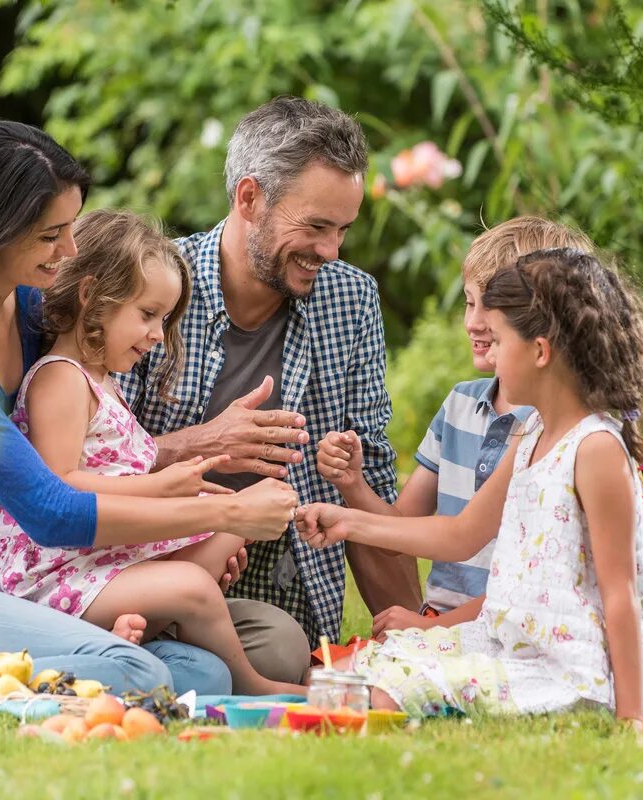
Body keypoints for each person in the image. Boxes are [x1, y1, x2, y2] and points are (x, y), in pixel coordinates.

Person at [0, 121, 298, 711]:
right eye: (53, 234)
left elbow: (91, 440)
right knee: (131, 671)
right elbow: (51, 510)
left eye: (71, 229)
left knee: (198, 670)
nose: (70, 250)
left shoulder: (23, 312)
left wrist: (196, 463)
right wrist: (230, 510)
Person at [296, 248, 643, 732]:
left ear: (539, 351)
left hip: (565, 675)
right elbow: (460, 534)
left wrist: (632, 717)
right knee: (337, 676)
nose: (490, 352)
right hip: (503, 643)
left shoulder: (594, 449)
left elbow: (621, 595)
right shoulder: (533, 434)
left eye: (501, 339)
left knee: (365, 698)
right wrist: (348, 521)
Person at [116, 97, 419, 663]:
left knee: (279, 651)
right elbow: (84, 469)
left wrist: (414, 643)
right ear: (249, 198)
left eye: (343, 230)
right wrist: (202, 445)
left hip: (282, 598)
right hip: (143, 577)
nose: (330, 251)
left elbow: (372, 479)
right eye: (316, 226)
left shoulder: (351, 300)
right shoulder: (148, 287)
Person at [0, 210, 306, 695]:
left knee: (227, 530)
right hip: (54, 574)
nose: (158, 335)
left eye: (164, 319)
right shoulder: (59, 379)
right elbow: (58, 486)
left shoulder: (103, 383)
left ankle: (131, 636)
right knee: (194, 584)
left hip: (99, 560)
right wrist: (159, 487)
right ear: (91, 296)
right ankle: (253, 684)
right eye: (147, 315)